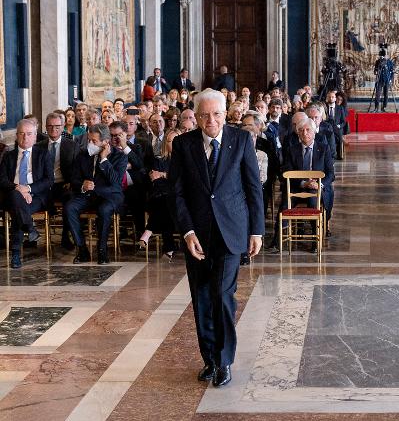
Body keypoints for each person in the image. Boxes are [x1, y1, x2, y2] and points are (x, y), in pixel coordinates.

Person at [169, 88, 264, 386]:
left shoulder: (240, 140)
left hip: (231, 233)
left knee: (222, 295)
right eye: (205, 115)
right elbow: (177, 193)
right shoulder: (184, 145)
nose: (212, 120)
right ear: (196, 117)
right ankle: (209, 358)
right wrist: (187, 232)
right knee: (201, 299)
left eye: (217, 114)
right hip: (196, 235)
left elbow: (252, 187)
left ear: (226, 114)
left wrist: (256, 230)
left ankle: (224, 360)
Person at [65, 124, 128, 265]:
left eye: (94, 141)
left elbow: (116, 182)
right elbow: (74, 179)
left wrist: (104, 159)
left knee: (104, 210)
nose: (90, 144)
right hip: (87, 195)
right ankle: (82, 249)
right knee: (70, 207)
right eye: (89, 140)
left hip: (109, 196)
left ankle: (102, 249)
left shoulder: (120, 157)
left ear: (105, 142)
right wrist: (82, 185)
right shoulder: (83, 155)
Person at [0, 119, 53, 269]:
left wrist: (28, 189)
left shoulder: (43, 154)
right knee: (18, 201)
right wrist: (18, 188)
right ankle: (30, 229)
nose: (25, 137)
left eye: (29, 134)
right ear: (17, 136)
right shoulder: (9, 156)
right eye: (22, 134)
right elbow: (2, 180)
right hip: (13, 194)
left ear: (35, 136)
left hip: (36, 196)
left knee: (18, 209)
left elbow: (49, 180)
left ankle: (16, 253)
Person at [39, 113, 79, 250]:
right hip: (45, 185)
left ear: (62, 127)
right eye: (50, 126)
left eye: (57, 126)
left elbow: (77, 168)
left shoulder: (72, 145)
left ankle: (65, 235)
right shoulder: (39, 146)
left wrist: (72, 182)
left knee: (70, 199)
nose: (53, 129)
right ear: (45, 127)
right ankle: (34, 235)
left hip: (64, 184)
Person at [138, 129, 180, 259]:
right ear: (165, 143)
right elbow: (156, 182)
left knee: (166, 204)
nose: (173, 144)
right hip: (158, 196)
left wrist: (163, 175)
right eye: (169, 141)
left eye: (176, 141)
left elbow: (183, 180)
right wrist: (168, 179)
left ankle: (149, 231)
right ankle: (168, 248)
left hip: (176, 198)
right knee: (165, 201)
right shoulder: (159, 161)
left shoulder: (186, 162)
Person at [373, 48, 394, 112]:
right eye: (381, 55)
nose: (382, 56)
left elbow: (392, 71)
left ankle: (384, 107)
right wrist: (376, 70)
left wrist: (390, 79)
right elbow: (375, 71)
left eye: (383, 55)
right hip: (379, 80)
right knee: (377, 94)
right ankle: (376, 108)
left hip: (387, 80)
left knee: (386, 94)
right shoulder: (378, 61)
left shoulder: (389, 62)